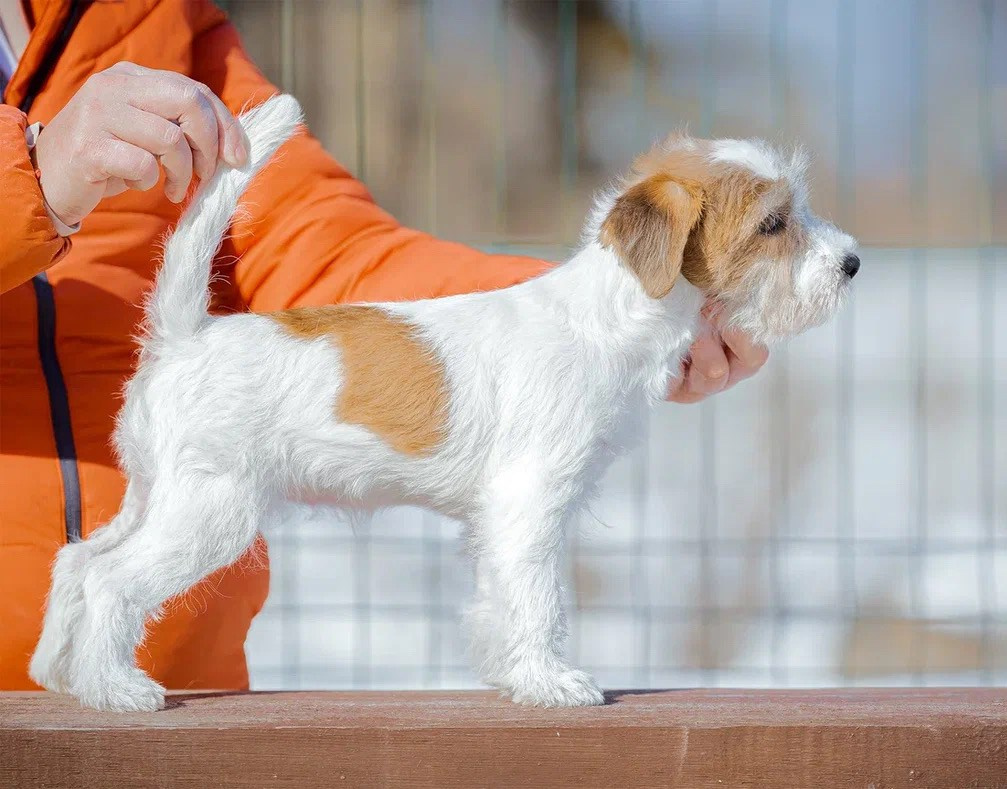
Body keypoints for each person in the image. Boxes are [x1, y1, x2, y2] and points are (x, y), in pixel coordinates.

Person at [0, 0, 768, 691]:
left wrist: (595, 315)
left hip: (188, 701)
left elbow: (326, 247)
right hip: (218, 393)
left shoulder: (153, 15)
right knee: (205, 526)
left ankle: (74, 643)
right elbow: (521, 512)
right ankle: (103, 640)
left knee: (145, 527)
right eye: (774, 229)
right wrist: (31, 178)